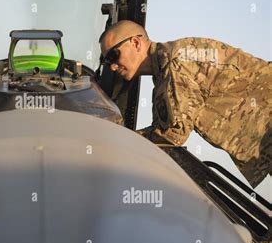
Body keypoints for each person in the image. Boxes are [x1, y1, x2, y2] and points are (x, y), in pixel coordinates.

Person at [99, 20, 271, 188]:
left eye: (114, 56)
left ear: (136, 43)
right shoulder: (164, 72)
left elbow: (171, 136)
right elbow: (164, 129)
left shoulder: (174, 63)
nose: (113, 67)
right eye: (107, 61)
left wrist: (118, 141)